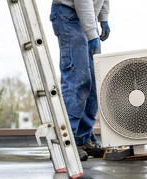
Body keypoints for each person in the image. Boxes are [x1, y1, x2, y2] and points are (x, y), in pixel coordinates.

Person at [50, 0, 110, 161]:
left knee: (94, 81)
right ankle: (66, 141)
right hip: (68, 15)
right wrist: (92, 33)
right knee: (78, 78)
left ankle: (82, 139)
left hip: (88, 17)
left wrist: (103, 17)